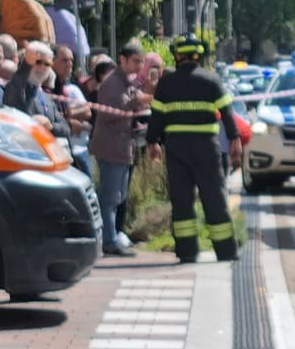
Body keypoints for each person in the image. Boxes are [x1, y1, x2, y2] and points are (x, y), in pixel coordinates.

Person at [147, 35, 239, 263]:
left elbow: (157, 116)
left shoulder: (166, 83)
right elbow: (228, 114)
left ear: (177, 55)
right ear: (199, 55)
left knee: (182, 200)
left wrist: (153, 142)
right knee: (214, 197)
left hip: (176, 148)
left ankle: (187, 252)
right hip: (206, 148)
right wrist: (235, 140)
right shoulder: (211, 80)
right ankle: (226, 251)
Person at [91, 44, 147, 256]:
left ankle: (110, 237)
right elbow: (110, 114)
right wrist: (136, 102)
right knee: (109, 196)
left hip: (122, 148)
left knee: (118, 195)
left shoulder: (126, 82)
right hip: (111, 148)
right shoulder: (112, 83)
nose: (139, 65)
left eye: (141, 61)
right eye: (135, 60)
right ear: (122, 60)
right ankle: (108, 241)